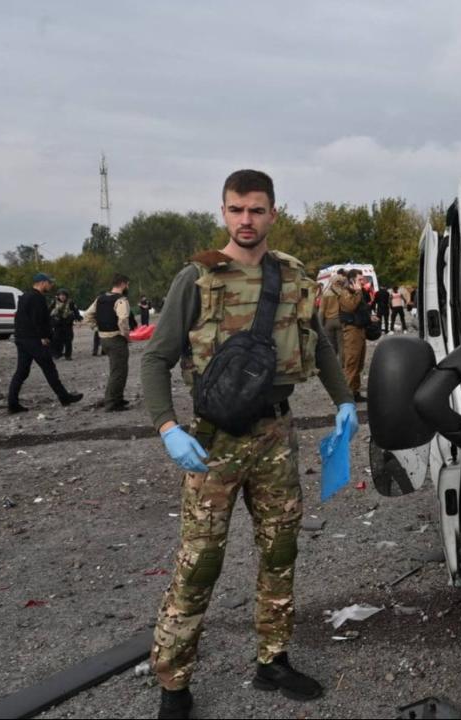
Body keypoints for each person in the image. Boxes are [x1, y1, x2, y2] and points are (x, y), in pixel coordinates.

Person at [140, 169, 357, 720]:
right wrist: (168, 428)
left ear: (273, 214)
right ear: (223, 212)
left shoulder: (293, 277)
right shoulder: (197, 279)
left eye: (256, 210)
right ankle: (174, 683)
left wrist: (345, 401)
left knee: (280, 552)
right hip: (212, 441)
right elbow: (155, 358)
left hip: (275, 436)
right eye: (236, 210)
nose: (246, 221)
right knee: (199, 563)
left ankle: (272, 659)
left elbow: (319, 346)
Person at [6, 273, 83, 413]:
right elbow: (39, 319)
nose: (51, 285)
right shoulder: (37, 298)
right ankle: (64, 397)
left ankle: (12, 404)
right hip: (33, 340)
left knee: (22, 372)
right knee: (49, 368)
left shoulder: (24, 297)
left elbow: (20, 318)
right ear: (42, 283)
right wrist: (44, 336)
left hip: (22, 339)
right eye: (49, 283)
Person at [85, 274, 132, 412]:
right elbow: (123, 320)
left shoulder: (100, 298)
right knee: (119, 371)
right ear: (123, 284)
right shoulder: (121, 300)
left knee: (116, 370)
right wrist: (127, 336)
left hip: (103, 339)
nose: (128, 287)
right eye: (127, 284)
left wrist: (96, 328)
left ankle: (117, 398)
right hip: (116, 339)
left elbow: (87, 315)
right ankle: (112, 403)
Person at [339, 269, 372, 402]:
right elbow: (350, 307)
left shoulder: (356, 292)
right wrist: (358, 291)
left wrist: (370, 317)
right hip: (352, 331)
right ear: (352, 280)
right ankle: (346, 396)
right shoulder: (345, 292)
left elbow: (360, 309)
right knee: (352, 363)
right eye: (359, 279)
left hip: (359, 330)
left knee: (358, 364)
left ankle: (355, 392)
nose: (362, 282)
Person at [318, 270, 347, 356]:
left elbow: (321, 310)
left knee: (331, 345)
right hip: (340, 321)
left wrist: (320, 324)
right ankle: (341, 365)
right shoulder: (344, 293)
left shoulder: (326, 294)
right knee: (341, 345)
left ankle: (333, 365)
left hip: (329, 322)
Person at [49, 289, 80, 360]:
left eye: (64, 295)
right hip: (57, 324)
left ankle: (68, 355)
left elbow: (75, 310)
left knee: (68, 340)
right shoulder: (54, 302)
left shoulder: (70, 302)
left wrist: (78, 317)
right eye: (61, 295)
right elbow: (49, 310)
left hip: (67, 323)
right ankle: (57, 354)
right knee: (56, 339)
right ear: (58, 296)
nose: (62, 297)